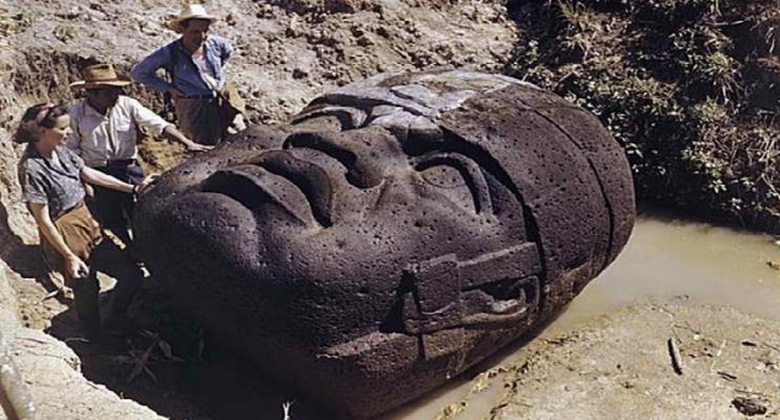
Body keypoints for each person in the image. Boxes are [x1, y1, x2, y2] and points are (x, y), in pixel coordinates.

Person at [15, 103, 153, 337]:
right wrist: (68, 256)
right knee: (86, 287)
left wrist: (131, 188)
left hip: (87, 220)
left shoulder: (62, 151)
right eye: (62, 128)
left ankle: (115, 318)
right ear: (41, 132)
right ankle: (92, 336)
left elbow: (87, 173)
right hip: (64, 231)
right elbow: (43, 219)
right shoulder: (32, 168)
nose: (68, 132)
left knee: (132, 275)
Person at [67, 63, 209, 244]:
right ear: (92, 93)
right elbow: (72, 151)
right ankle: (129, 248)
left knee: (142, 208)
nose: (116, 96)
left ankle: (145, 246)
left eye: (117, 91)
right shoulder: (75, 114)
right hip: (97, 172)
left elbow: (158, 124)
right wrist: (84, 180)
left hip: (128, 168)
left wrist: (187, 143)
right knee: (110, 216)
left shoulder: (128, 105)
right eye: (109, 92)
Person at [130, 4, 245, 146]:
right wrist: (168, 88)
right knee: (201, 147)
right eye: (195, 32)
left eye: (205, 31)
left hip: (222, 98)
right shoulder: (170, 52)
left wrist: (218, 79)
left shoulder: (217, 44)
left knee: (236, 139)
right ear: (183, 30)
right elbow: (139, 73)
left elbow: (226, 54)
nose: (201, 36)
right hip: (192, 104)